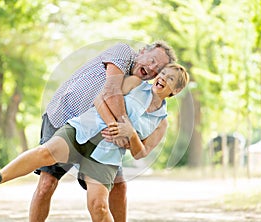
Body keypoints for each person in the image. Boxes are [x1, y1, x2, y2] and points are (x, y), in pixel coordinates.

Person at [0, 63, 189, 221]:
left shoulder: (161, 122)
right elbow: (100, 99)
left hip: (107, 155)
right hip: (84, 128)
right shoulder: (134, 84)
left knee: (98, 207)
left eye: (170, 79)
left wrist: (131, 133)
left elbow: (140, 153)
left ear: (175, 91)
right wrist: (117, 122)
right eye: (163, 73)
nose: (162, 78)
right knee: (46, 152)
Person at [30, 41, 176, 222]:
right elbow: (110, 91)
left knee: (119, 186)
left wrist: (130, 134)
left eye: (158, 68)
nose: (152, 68)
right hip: (64, 118)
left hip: (99, 134)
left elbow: (139, 142)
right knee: (47, 183)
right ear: (143, 51)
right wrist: (123, 128)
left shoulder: (140, 90)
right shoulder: (123, 52)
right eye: (152, 60)